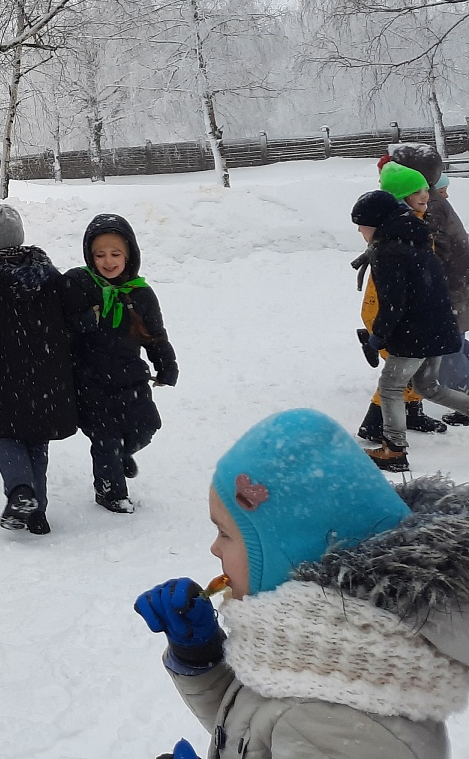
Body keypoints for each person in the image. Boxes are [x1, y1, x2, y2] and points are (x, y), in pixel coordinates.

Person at [135, 408, 469, 759]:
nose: (214, 548)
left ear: (288, 551)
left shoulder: (346, 718)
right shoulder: (321, 651)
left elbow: (294, 721)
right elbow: (257, 728)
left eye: (225, 533)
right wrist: (201, 658)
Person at [0, 205, 81, 534]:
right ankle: (38, 512)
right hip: (50, 375)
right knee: (37, 441)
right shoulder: (49, 275)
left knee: (6, 437)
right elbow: (72, 324)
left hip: (9, 378)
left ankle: (21, 491)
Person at [65, 214, 177, 514]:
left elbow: (155, 335)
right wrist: (83, 320)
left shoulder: (141, 294)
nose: (108, 261)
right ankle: (110, 491)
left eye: (116, 254)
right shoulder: (82, 287)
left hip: (131, 377)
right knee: (105, 438)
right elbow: (62, 325)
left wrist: (166, 364)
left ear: (129, 256)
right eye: (100, 255)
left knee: (147, 427)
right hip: (91, 381)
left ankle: (121, 454)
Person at [349, 189, 469, 471]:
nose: (358, 230)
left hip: (415, 333)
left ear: (376, 223)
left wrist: (377, 337)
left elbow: (392, 304)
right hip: (438, 326)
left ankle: (394, 450)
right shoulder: (416, 237)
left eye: (361, 224)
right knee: (428, 387)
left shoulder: (388, 251)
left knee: (391, 387)